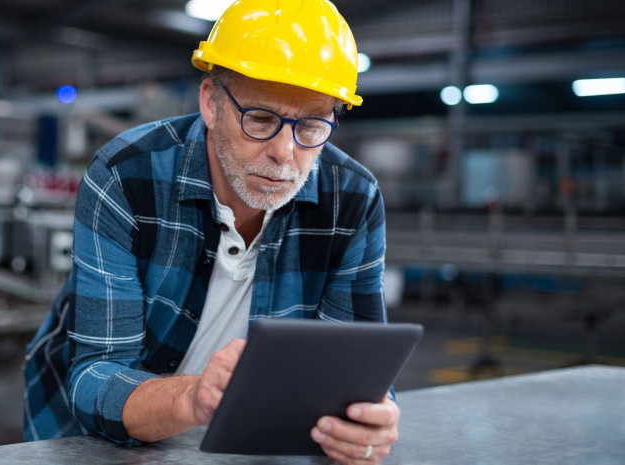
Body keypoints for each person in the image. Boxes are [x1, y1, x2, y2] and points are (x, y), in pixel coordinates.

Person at [23, 0, 399, 463]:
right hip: (85, 439)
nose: (285, 151)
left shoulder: (353, 200)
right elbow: (95, 375)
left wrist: (368, 419)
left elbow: (355, 372)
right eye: (260, 119)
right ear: (210, 102)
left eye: (313, 124)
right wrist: (193, 397)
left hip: (243, 442)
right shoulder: (126, 175)